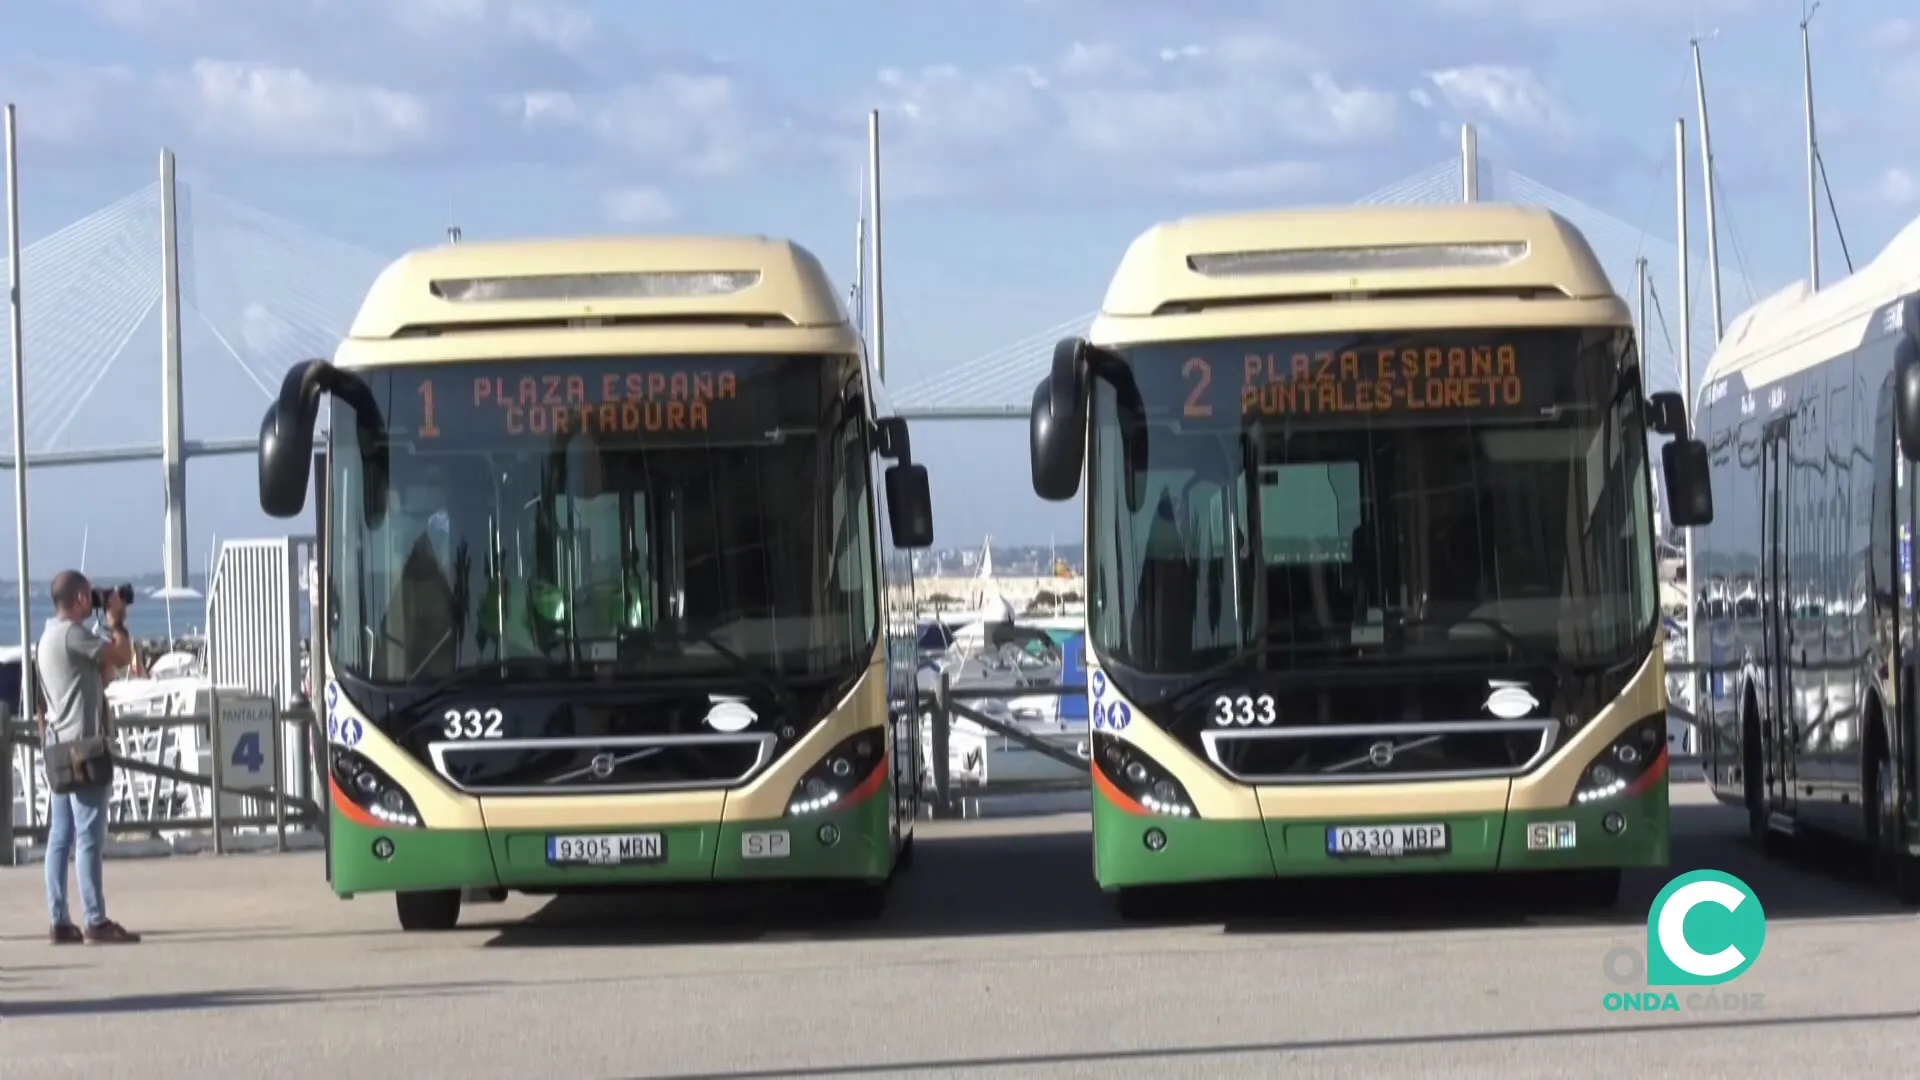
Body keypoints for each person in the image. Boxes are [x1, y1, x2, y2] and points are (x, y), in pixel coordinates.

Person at [36, 569, 141, 945]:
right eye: (91, 596)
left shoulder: (48, 637)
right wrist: (116, 621)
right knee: (89, 837)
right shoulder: (74, 635)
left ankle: (59, 920)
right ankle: (95, 920)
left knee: (59, 837)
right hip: (84, 749)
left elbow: (104, 675)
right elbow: (124, 656)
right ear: (81, 599)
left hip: (59, 747)